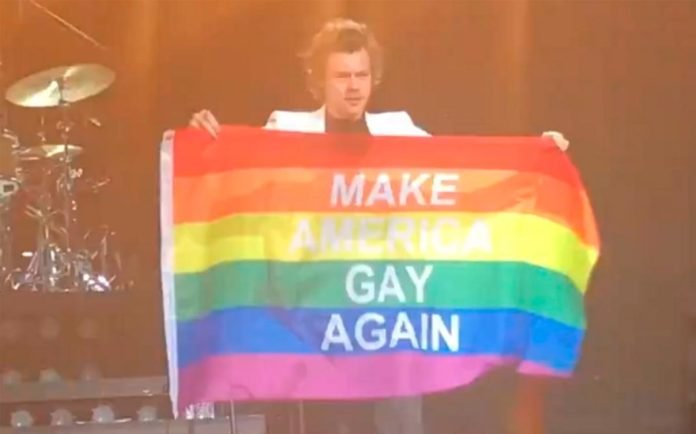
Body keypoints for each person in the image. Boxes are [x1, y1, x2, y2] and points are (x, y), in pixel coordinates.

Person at [189, 17, 568, 434]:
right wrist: (206, 142)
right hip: (316, 323)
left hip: (391, 320)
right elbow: (237, 171)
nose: (354, 86)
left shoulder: (400, 131)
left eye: (361, 75)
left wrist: (534, 157)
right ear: (318, 81)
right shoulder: (287, 130)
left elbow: (464, 173)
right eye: (342, 76)